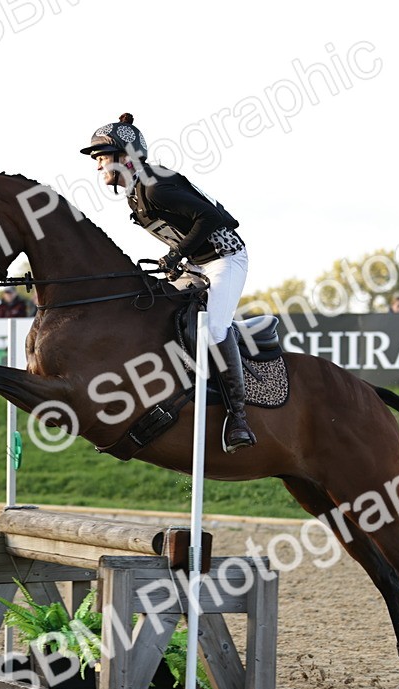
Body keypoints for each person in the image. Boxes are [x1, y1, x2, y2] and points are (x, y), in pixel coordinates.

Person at [81, 112, 255, 452]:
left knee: (213, 331)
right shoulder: (137, 194)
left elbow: (215, 218)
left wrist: (176, 256)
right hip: (197, 263)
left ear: (125, 158)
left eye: (102, 158)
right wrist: (179, 260)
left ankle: (239, 418)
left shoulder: (155, 187)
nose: (98, 167)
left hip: (225, 259)